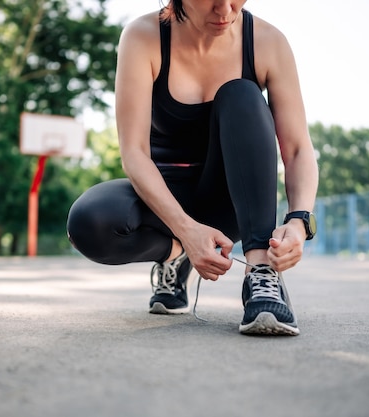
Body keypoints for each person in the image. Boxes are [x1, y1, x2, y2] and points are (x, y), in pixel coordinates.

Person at [67, 0, 318, 336]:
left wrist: (300, 221)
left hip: (230, 199)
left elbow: (299, 149)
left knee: (242, 94)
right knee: (89, 221)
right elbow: (135, 153)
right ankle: (176, 255)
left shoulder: (268, 42)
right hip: (164, 198)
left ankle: (261, 274)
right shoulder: (144, 37)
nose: (225, 11)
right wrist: (186, 232)